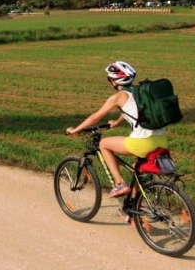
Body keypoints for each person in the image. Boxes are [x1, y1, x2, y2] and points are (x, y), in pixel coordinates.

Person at [66, 61, 168, 199]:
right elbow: (135, 110)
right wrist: (117, 122)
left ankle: (119, 183)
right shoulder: (140, 92)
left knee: (104, 144)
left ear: (115, 81)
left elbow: (95, 117)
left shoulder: (117, 97)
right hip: (161, 140)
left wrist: (76, 130)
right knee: (137, 169)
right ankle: (131, 209)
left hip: (143, 142)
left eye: (110, 79)